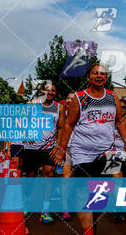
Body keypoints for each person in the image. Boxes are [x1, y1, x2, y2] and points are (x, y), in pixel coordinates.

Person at [52, 64, 126, 235]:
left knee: (103, 194)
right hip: (82, 153)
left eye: (103, 73)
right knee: (83, 193)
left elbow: (119, 122)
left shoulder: (112, 97)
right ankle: (88, 231)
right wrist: (61, 149)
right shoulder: (80, 98)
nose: (99, 76)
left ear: (106, 78)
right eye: (95, 73)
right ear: (88, 77)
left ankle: (95, 219)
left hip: (107, 151)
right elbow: (69, 124)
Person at [22, 83, 65, 224]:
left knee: (49, 173)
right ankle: (26, 202)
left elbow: (61, 128)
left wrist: (57, 146)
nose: (50, 92)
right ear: (42, 91)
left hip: (49, 147)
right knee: (30, 176)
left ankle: (45, 210)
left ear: (56, 93)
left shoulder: (59, 107)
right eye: (48, 90)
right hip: (31, 147)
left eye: (53, 90)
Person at [59, 92, 77, 221]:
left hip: (82, 151)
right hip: (67, 150)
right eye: (68, 98)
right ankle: (65, 208)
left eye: (73, 98)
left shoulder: (83, 114)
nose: (70, 100)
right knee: (66, 178)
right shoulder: (61, 115)